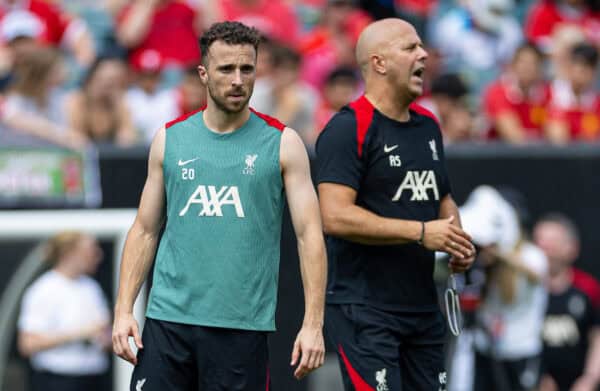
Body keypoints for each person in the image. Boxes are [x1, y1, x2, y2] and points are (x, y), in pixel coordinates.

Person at [112, 21, 327, 390]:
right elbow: (145, 230)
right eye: (226, 69)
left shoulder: (283, 143)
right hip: (167, 324)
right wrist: (123, 310)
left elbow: (310, 236)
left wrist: (313, 324)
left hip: (241, 329)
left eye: (247, 69)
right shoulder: (169, 139)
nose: (238, 79)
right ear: (204, 73)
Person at [316, 18, 475, 391]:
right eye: (410, 47)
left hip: (421, 303)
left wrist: (455, 237)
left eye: (422, 47)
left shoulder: (428, 125)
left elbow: (443, 197)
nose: (423, 54)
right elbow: (334, 216)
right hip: (365, 308)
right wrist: (421, 233)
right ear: (379, 63)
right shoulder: (347, 128)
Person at [459, 186, 549, 391]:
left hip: (520, 349)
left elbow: (534, 273)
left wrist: (499, 251)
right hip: (486, 347)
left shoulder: (531, 254)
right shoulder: (484, 259)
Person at [18, 231, 111, 391]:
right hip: (57, 381)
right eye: (91, 250)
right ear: (70, 253)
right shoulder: (43, 289)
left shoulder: (92, 287)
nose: (99, 255)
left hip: (94, 378)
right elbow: (27, 344)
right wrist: (80, 333)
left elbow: (102, 332)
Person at [534, 214, 600, 391]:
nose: (544, 247)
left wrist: (590, 378)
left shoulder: (588, 288)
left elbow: (597, 336)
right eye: (539, 240)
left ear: (572, 248)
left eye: (552, 241)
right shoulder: (524, 290)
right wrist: (537, 376)